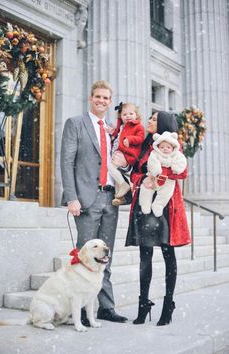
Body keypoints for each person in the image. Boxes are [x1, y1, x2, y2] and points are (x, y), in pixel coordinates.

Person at [61, 80, 128, 324]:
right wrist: (72, 197)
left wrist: (125, 163)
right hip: (87, 199)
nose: (102, 101)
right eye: (98, 96)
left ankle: (106, 309)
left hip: (112, 199)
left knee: (105, 257)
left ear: (110, 102)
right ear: (91, 98)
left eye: (106, 98)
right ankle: (80, 312)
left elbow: (120, 163)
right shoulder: (76, 124)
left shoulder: (113, 130)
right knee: (86, 257)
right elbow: (67, 162)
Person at [125, 111, 191, 326]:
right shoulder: (146, 146)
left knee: (167, 255)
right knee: (145, 257)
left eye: (153, 119)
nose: (149, 121)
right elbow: (134, 173)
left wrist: (160, 175)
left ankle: (168, 304)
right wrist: (145, 177)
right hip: (145, 205)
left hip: (166, 207)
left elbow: (181, 172)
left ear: (162, 123)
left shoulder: (172, 146)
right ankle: (143, 304)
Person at [139, 131, 187, 216]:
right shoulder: (154, 153)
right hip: (154, 177)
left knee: (166, 194)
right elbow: (152, 162)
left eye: (168, 147)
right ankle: (145, 205)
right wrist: (156, 171)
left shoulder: (177, 155)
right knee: (146, 189)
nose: (165, 149)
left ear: (173, 148)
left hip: (168, 180)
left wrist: (176, 168)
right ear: (157, 147)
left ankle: (158, 205)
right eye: (162, 147)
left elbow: (182, 162)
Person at [107, 102, 145, 205]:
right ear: (120, 117)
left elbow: (140, 138)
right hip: (121, 153)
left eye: (131, 114)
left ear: (136, 115)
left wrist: (129, 139)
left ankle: (124, 185)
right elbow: (116, 135)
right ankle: (120, 196)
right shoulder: (122, 126)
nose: (128, 116)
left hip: (128, 155)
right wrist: (111, 132)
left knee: (110, 167)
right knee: (114, 173)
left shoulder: (138, 127)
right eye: (124, 114)